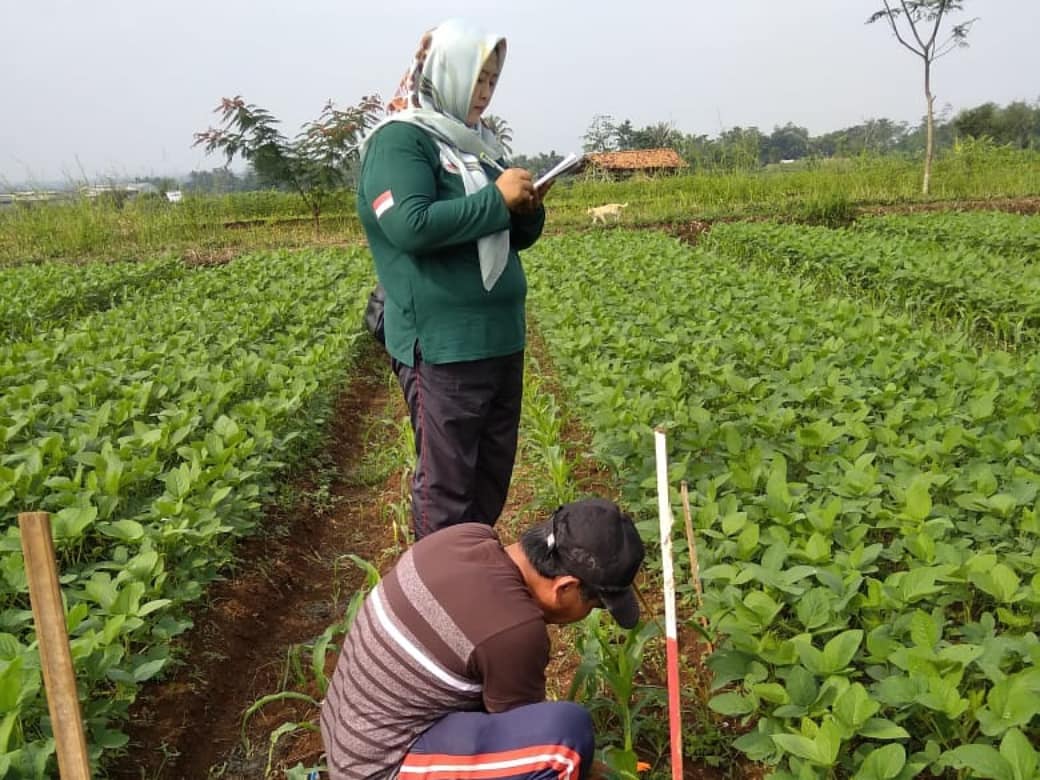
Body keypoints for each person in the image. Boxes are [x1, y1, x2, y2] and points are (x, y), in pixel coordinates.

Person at [357, 19, 549, 540]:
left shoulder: (478, 146)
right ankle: (435, 602)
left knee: (488, 481)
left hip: (500, 338)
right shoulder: (402, 142)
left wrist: (526, 209)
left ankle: (465, 585)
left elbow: (506, 233)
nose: (484, 93)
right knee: (447, 490)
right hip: (444, 346)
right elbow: (409, 225)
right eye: (477, 79)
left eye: (492, 81)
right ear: (449, 73)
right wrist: (495, 200)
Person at [319, 497, 646, 780]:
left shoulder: (466, 536)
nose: (589, 613)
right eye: (594, 604)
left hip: (346, 736)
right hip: (378, 768)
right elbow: (525, 741)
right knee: (565, 739)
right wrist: (584, 767)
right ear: (565, 587)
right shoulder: (516, 631)